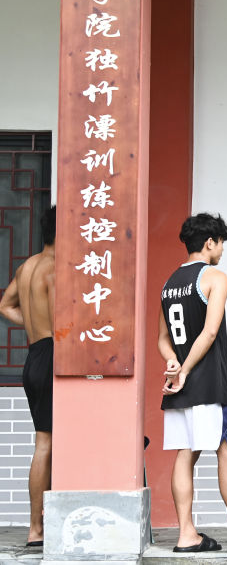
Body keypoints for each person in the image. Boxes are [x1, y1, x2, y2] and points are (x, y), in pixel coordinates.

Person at [157, 213, 227, 554]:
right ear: (210, 242)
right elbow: (210, 332)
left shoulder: (169, 283)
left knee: (186, 453)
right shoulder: (214, 277)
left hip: (180, 385)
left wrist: (173, 362)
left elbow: (163, 339)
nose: (222, 250)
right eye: (221, 243)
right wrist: (185, 369)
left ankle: (187, 534)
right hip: (208, 381)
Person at [0, 206, 56, 548]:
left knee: (44, 442)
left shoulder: (27, 266)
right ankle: (36, 528)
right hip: (51, 356)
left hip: (34, 356)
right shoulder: (56, 269)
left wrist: (34, 322)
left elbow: (5, 306)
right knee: (46, 444)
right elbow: (65, 324)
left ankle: (39, 525)